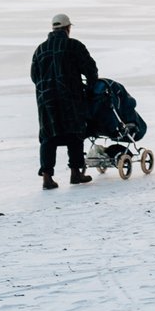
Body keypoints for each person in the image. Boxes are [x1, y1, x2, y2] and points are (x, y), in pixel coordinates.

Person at [30, 12, 98, 189]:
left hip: (46, 99)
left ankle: (47, 177)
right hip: (70, 96)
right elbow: (90, 69)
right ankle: (76, 174)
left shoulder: (40, 50)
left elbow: (34, 76)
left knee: (48, 137)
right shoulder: (74, 46)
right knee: (74, 133)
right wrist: (91, 90)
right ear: (68, 28)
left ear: (53, 28)